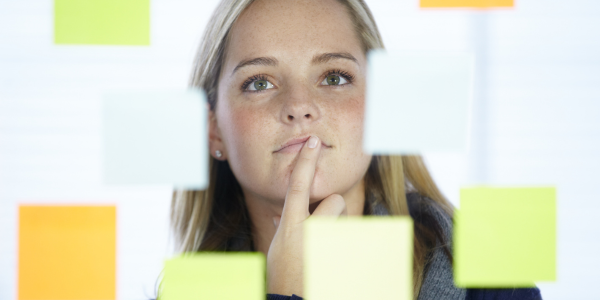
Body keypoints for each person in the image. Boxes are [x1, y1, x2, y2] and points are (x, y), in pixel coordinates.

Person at [168, 0, 543, 299]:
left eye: (334, 77)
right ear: (213, 130)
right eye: (259, 83)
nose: (299, 105)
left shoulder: (494, 284)